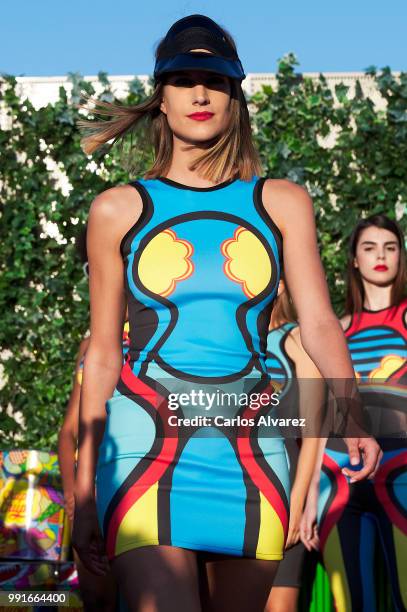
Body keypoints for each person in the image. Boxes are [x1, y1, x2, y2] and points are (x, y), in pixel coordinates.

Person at [71, 14, 381, 612]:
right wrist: (84, 493)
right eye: (183, 78)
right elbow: (105, 352)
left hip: (251, 452)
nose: (200, 92)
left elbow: (318, 322)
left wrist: (353, 412)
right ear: (159, 97)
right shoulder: (116, 210)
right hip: (145, 449)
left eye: (214, 78)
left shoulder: (282, 202)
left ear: (234, 95)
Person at [301, 214, 407, 612]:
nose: (380, 256)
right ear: (354, 261)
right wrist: (310, 495)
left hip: (401, 474)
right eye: (369, 247)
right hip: (337, 479)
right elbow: (323, 416)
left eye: (390, 247)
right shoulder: (332, 330)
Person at [58, 228, 123, 611]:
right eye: (88, 268)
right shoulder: (89, 346)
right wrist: (73, 494)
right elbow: (69, 432)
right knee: (96, 599)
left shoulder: (155, 344)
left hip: (135, 490)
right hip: (89, 498)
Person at [264, 279, 322, 612]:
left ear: (282, 284)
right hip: (232, 493)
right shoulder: (229, 341)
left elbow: (314, 431)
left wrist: (297, 503)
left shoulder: (298, 339)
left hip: (284, 494)